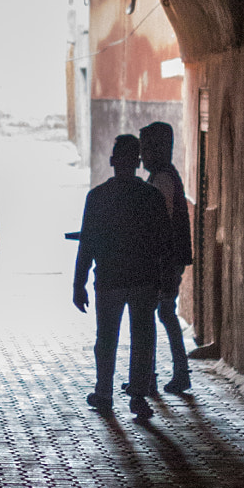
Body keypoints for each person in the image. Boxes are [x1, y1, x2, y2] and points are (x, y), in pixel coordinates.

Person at [73, 132, 173, 421]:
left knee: (106, 337)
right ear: (138, 162)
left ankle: (104, 392)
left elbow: (87, 243)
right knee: (143, 337)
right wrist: (166, 279)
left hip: (109, 278)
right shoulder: (151, 197)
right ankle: (138, 395)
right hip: (144, 278)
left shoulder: (98, 197)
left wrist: (78, 283)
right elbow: (164, 242)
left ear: (113, 161)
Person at [140, 119, 195, 393]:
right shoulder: (165, 174)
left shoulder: (161, 178)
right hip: (169, 257)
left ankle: (153, 376)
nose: (142, 156)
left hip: (164, 259)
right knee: (163, 313)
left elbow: (158, 221)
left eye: (146, 150)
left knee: (157, 312)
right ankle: (172, 372)